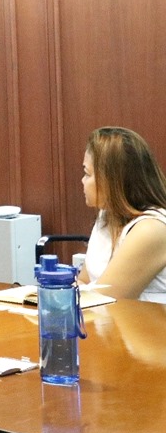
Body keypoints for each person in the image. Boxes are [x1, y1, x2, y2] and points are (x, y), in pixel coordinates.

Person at [79, 126, 166, 302]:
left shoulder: (151, 229)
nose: (82, 181)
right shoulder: (107, 215)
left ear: (111, 180)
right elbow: (83, 281)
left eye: (87, 174)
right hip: (108, 325)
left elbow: (106, 301)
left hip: (149, 328)